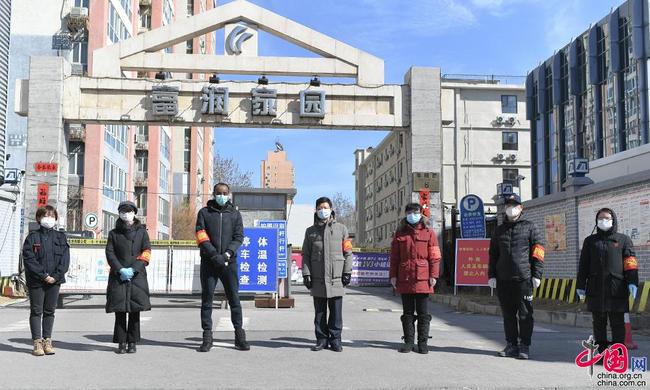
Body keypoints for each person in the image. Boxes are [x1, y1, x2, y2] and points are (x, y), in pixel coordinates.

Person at [488, 194, 544, 360]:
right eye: (508, 205)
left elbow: (538, 251)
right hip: (503, 279)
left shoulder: (530, 227)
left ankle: (524, 346)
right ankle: (511, 344)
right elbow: (493, 254)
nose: (510, 208)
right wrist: (491, 275)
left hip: (523, 278)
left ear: (521, 208)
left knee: (525, 314)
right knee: (508, 314)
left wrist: (537, 274)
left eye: (514, 205)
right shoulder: (499, 230)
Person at [576, 208, 638, 358]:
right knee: (599, 324)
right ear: (597, 221)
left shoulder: (623, 240)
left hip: (617, 288)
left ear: (613, 220)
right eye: (601, 218)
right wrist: (580, 285)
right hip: (595, 288)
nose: (604, 221)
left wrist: (632, 281)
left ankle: (617, 355)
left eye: (607, 218)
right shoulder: (590, 241)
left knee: (617, 324)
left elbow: (630, 263)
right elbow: (583, 264)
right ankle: (602, 354)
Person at [195, 182, 248, 352]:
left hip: (229, 263)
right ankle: (207, 337)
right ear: (213, 193)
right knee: (207, 300)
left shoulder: (235, 214)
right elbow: (200, 235)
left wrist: (227, 254)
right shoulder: (204, 213)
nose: (222, 195)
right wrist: (213, 255)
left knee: (234, 300)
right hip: (209, 263)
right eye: (219, 193)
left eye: (225, 193)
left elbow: (239, 237)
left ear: (229, 194)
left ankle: (239, 336)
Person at [301, 196, 353, 352]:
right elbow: (306, 255)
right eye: (320, 208)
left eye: (325, 207)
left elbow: (348, 253)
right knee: (320, 313)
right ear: (316, 211)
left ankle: (336, 340)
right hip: (318, 279)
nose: (323, 210)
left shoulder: (342, 229)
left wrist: (347, 272)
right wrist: (306, 274)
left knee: (336, 313)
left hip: (336, 278)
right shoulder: (310, 232)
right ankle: (322, 339)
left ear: (331, 209)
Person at [389, 203, 441, 354]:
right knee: (407, 313)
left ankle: (423, 343)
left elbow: (435, 256)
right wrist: (393, 275)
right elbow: (394, 257)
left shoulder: (429, 232)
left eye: (416, 211)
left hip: (423, 278)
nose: (413, 214)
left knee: (423, 313)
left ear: (421, 213)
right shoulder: (400, 233)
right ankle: (408, 342)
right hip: (405, 277)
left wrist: (434, 275)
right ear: (405, 214)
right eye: (410, 211)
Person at [22, 205, 70, 356]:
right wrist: (44, 275)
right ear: (38, 218)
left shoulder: (60, 237)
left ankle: (47, 340)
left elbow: (65, 259)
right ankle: (37, 342)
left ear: (56, 219)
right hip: (37, 281)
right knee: (37, 311)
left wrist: (55, 276)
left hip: (54, 281)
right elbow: (29, 259)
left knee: (50, 311)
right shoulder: (32, 237)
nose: (49, 219)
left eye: (52, 216)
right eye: (45, 216)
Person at [105, 201, 152, 354]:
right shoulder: (113, 233)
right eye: (123, 211)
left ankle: (132, 342)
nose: (126, 214)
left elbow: (146, 251)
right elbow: (110, 253)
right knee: (120, 311)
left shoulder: (142, 232)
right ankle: (120, 342)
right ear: (119, 213)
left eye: (129, 211)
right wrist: (120, 269)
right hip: (118, 276)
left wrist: (135, 268)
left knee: (134, 311)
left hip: (137, 275)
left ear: (134, 213)